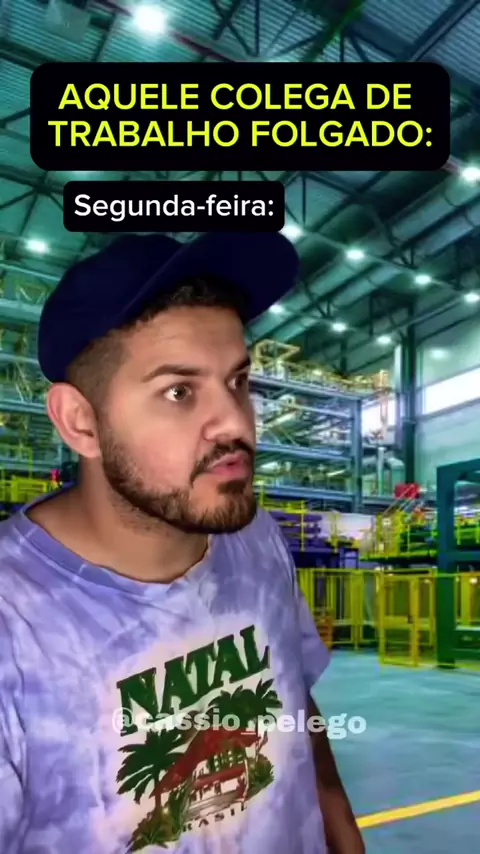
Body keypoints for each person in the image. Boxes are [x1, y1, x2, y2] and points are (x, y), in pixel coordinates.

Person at [0, 232, 364, 854]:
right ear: (81, 422)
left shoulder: (255, 538)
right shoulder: (15, 626)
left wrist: (345, 837)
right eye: (179, 391)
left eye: (238, 381)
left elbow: (294, 703)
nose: (236, 423)